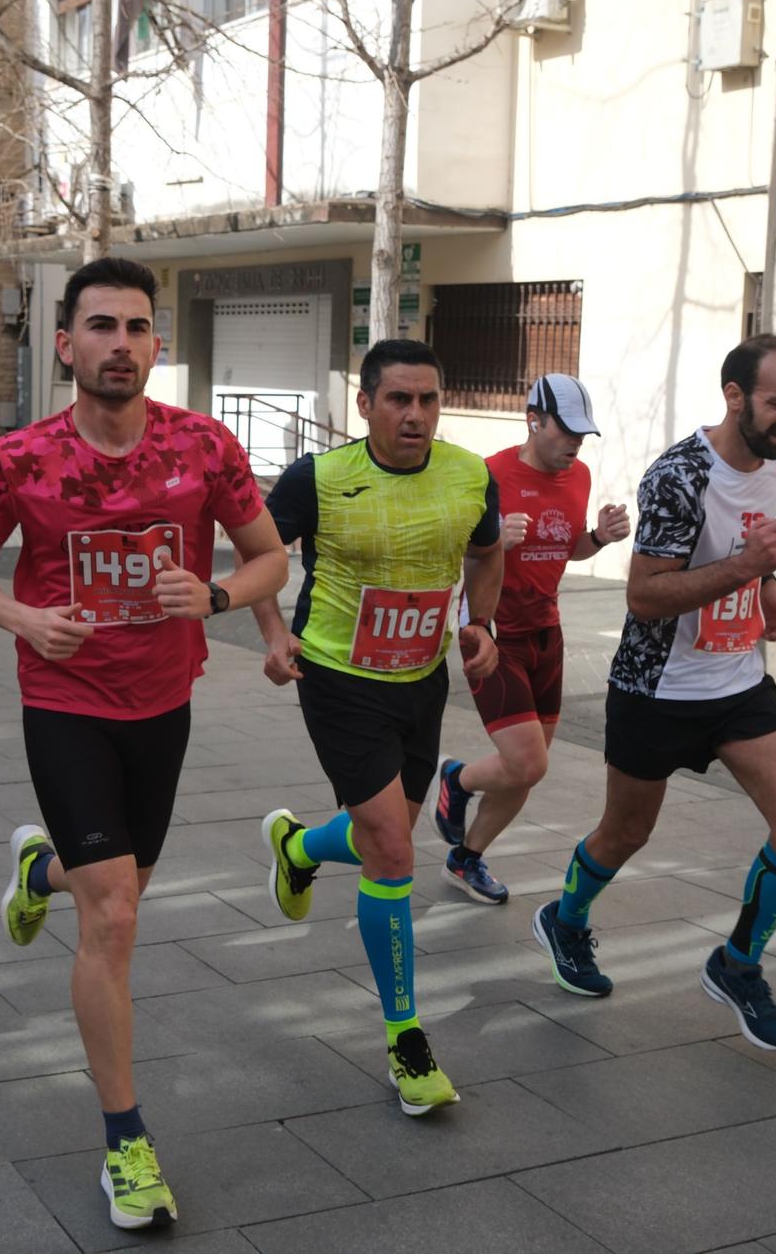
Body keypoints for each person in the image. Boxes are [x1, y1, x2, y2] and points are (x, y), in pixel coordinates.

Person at [0, 257, 288, 1232]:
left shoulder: (201, 446)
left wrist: (217, 596)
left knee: (116, 880)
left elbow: (268, 554)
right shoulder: (22, 457)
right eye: (100, 326)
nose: (120, 344)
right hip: (63, 700)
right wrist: (22, 617)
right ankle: (125, 1139)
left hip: (160, 704)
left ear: (155, 344)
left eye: (136, 327)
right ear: (66, 343)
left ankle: (38, 870)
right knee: (119, 915)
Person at [532, 334, 776, 1052]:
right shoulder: (679, 475)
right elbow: (647, 596)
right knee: (626, 832)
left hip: (737, 683)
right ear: (735, 395)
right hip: (656, 689)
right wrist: (747, 568)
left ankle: (737, 963)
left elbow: (739, 547)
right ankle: (566, 919)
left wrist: (769, 587)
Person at [253, 339, 505, 1117]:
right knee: (394, 846)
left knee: (380, 831)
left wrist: (482, 623)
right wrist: (271, 631)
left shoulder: (470, 474)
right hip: (336, 675)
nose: (416, 415)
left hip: (421, 680)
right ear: (364, 405)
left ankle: (297, 846)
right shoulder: (319, 479)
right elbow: (258, 550)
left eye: (428, 399)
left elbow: (488, 551)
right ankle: (405, 1034)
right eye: (398, 399)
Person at [430, 375, 631, 903]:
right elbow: (445, 552)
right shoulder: (488, 474)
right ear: (533, 421)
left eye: (583, 435)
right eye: (566, 432)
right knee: (527, 762)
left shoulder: (579, 475)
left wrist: (598, 539)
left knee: (526, 772)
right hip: (493, 634)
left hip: (547, 633)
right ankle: (457, 780)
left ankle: (465, 858)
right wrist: (493, 539)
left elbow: (567, 548)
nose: (575, 445)